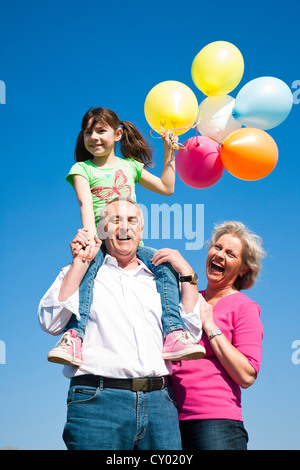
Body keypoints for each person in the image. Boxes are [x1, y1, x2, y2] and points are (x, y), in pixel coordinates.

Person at [38, 198, 204, 450]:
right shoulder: (83, 272)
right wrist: (80, 263)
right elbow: (49, 322)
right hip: (97, 404)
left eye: (131, 220)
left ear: (141, 230)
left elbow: (191, 332)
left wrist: (187, 274)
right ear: (102, 229)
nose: (124, 227)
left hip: (160, 404)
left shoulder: (161, 278)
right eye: (115, 220)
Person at [47, 107, 204, 366]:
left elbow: (167, 187)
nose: (94, 137)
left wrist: (169, 151)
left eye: (101, 131)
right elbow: (85, 204)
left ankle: (174, 333)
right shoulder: (81, 169)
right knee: (86, 279)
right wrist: (90, 239)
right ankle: (74, 336)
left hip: (132, 244)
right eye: (88, 132)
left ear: (118, 134)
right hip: (101, 241)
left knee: (165, 267)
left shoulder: (131, 166)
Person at [152, 221, 265, 450]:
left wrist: (210, 325)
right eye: (217, 247)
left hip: (215, 424)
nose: (220, 255)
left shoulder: (245, 307)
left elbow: (247, 376)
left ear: (243, 269)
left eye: (230, 253)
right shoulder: (189, 299)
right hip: (167, 420)